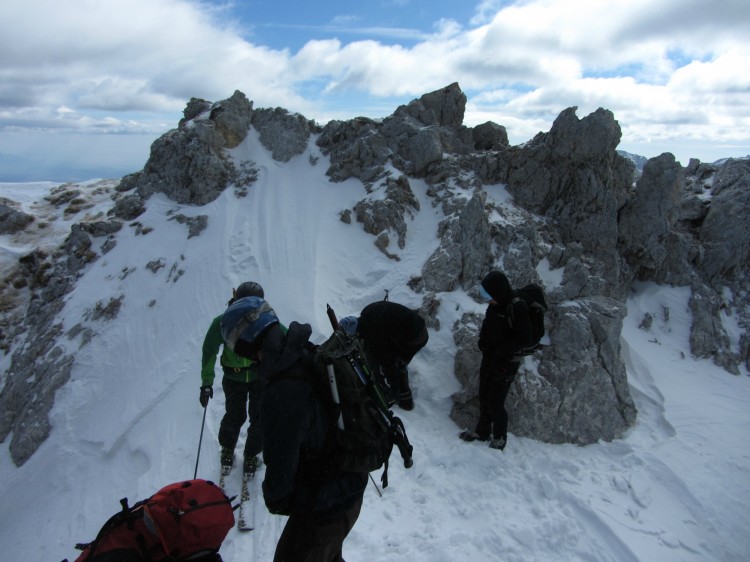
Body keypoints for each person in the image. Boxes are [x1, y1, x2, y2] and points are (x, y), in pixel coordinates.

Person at [220, 296, 368, 562]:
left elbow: (280, 473)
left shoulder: (280, 389)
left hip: (325, 504)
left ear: (246, 341)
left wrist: (281, 499)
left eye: (234, 342)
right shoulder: (305, 352)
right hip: (350, 485)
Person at [460, 271, 533, 451]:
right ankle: (482, 431)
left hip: (507, 362)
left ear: (498, 292)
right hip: (490, 357)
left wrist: (502, 350)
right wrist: (483, 342)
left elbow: (525, 337)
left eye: (489, 296)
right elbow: (487, 325)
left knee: (495, 402)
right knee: (484, 395)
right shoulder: (495, 306)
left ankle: (500, 437)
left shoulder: (517, 307)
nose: (488, 301)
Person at [200, 281, 265, 475]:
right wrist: (206, 382)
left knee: (257, 417)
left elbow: (210, 352)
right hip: (239, 377)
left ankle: (250, 452)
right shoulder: (224, 322)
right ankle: (230, 449)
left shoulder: (260, 319)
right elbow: (209, 350)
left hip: (254, 376)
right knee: (237, 416)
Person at [344, 301, 428, 411]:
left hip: (415, 337)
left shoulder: (374, 334)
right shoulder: (367, 313)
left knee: (395, 363)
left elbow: (387, 362)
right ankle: (389, 386)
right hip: (417, 325)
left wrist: (393, 385)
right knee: (376, 355)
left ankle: (403, 399)